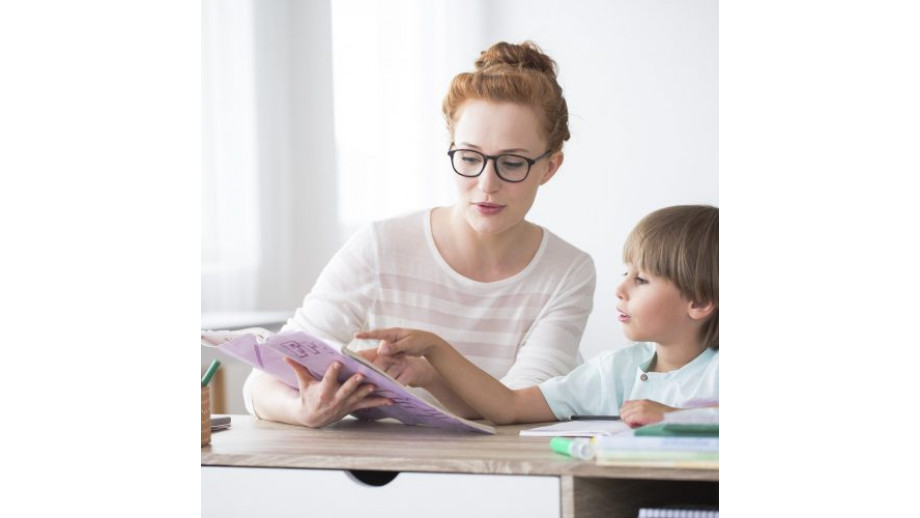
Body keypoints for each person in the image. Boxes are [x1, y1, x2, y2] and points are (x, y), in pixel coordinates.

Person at [243, 41, 596, 428]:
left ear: (550, 167)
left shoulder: (567, 271)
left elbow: (522, 406)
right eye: (470, 158)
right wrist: (303, 409)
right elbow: (263, 381)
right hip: (374, 473)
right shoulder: (381, 246)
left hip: (498, 479)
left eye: (512, 163)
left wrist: (432, 369)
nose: (486, 183)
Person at [357, 205, 718, 428]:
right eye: (626, 273)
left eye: (640, 279)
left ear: (699, 303)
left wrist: (675, 418)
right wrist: (435, 354)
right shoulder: (614, 371)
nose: (620, 289)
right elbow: (508, 406)